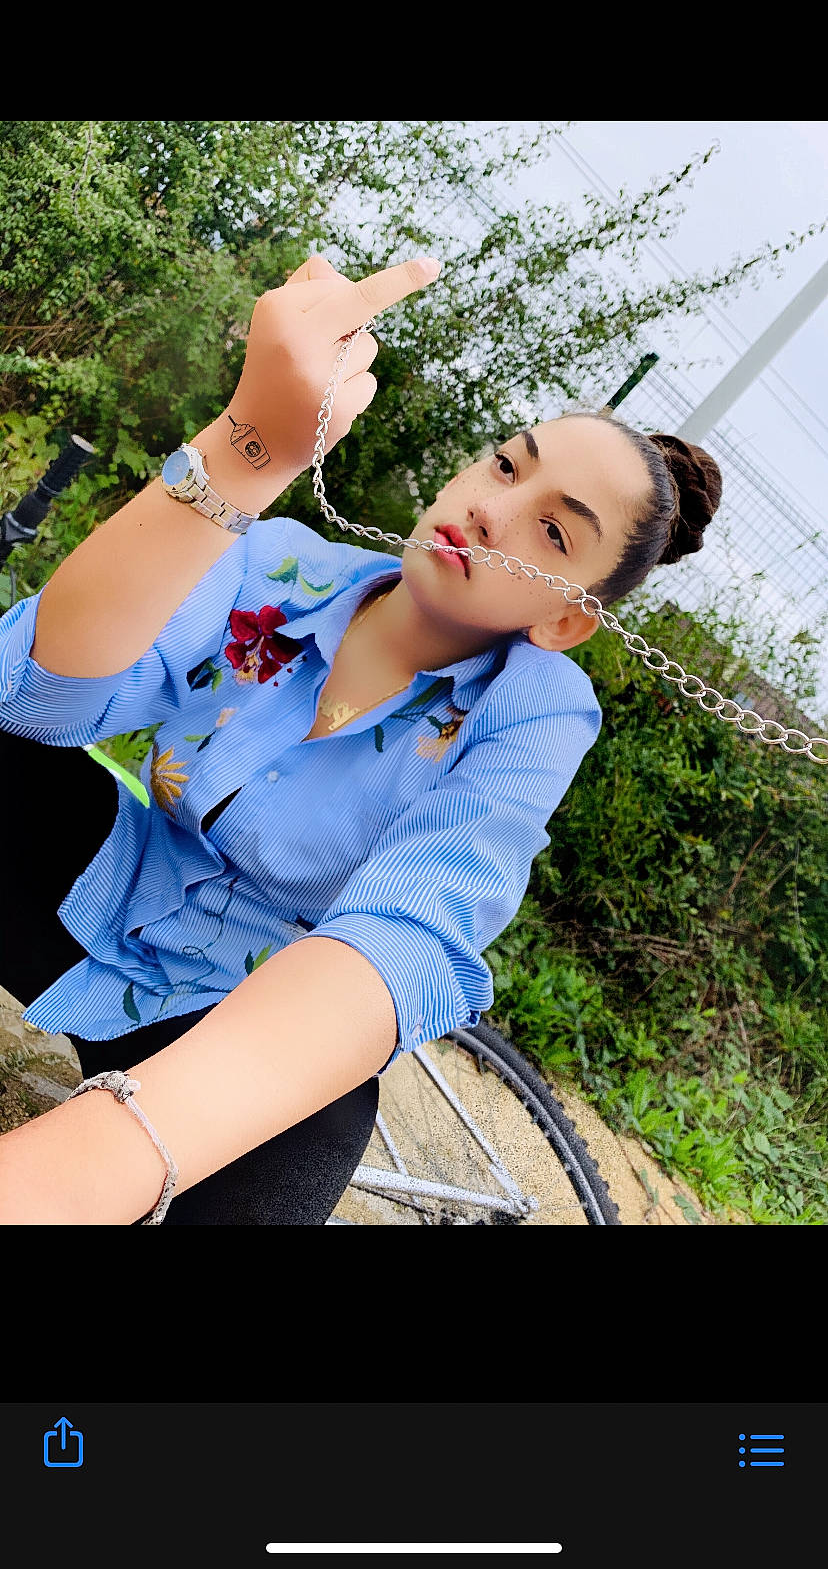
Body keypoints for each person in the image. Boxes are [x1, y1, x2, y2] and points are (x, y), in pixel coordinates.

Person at [0, 253, 721, 1225]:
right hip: (110, 883)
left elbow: (414, 927)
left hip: (252, 1005)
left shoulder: (537, 708)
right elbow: (39, 701)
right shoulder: (275, 560)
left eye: (555, 533)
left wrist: (114, 1150)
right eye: (507, 464)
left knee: (307, 1150)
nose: (494, 509)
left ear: (568, 618)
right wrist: (243, 455)